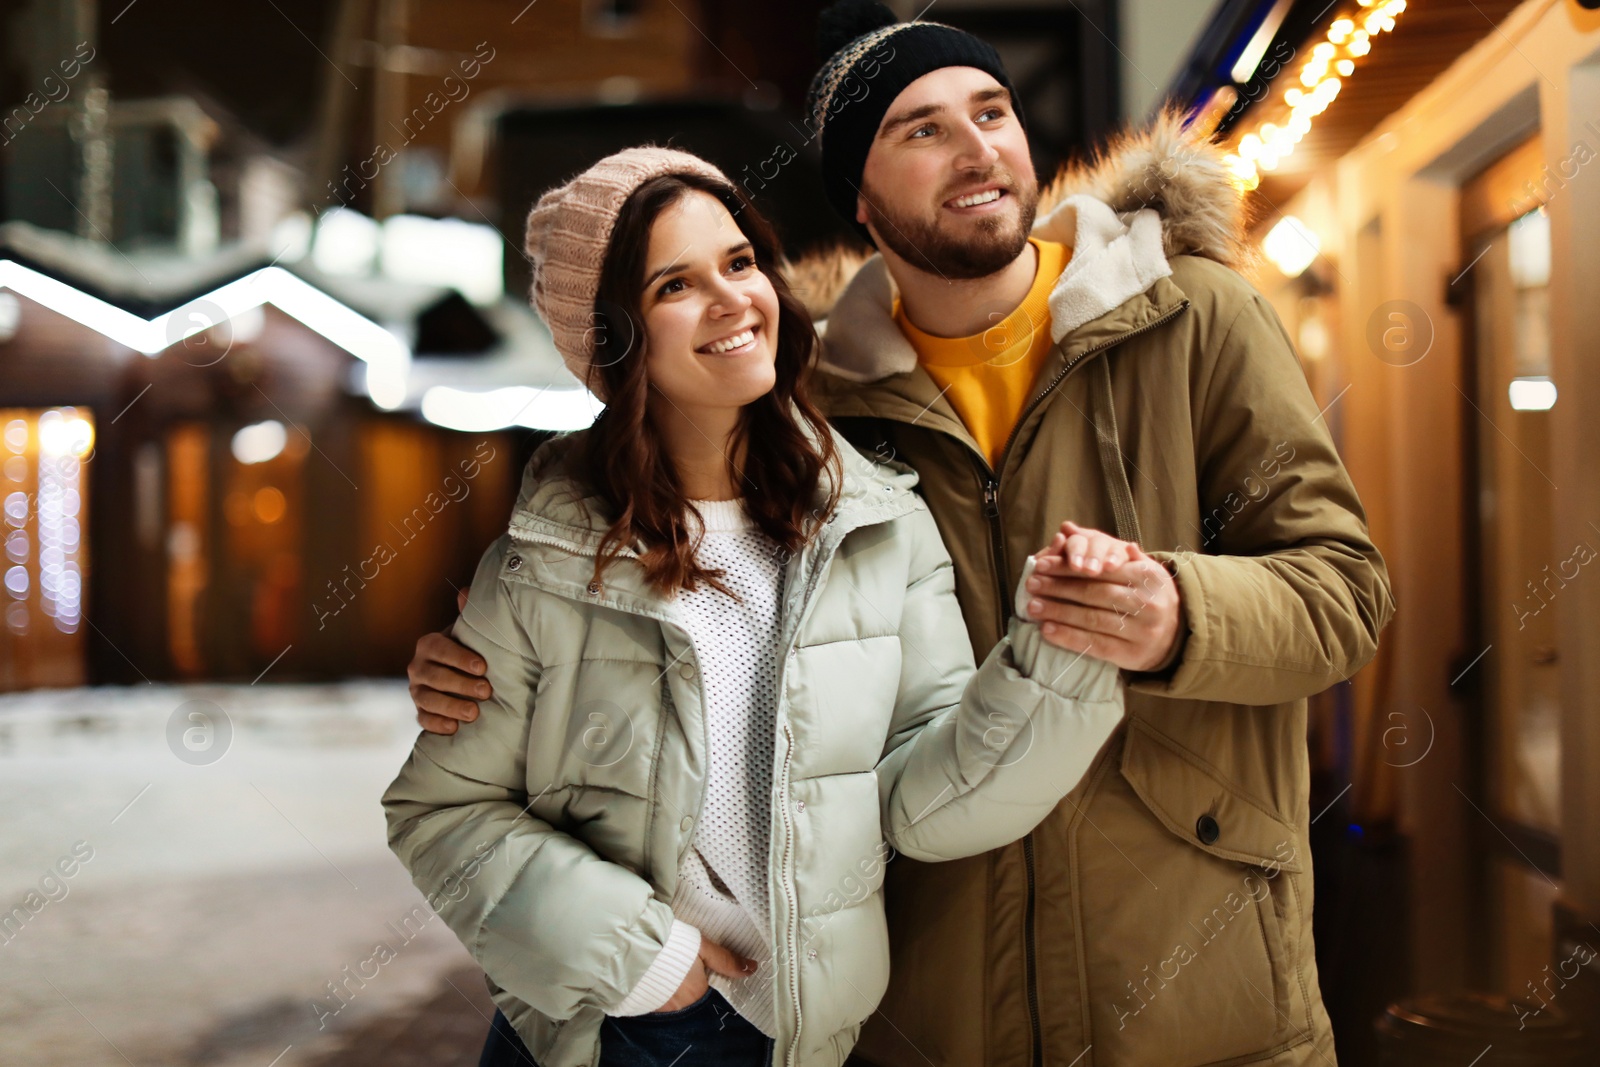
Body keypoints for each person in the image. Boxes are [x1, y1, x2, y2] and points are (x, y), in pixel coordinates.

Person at [407, 3, 1398, 1063]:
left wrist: (1175, 614)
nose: (977, 149)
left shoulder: (1190, 318)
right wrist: (486, 651)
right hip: (936, 1002)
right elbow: (619, 552)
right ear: (861, 203)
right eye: (920, 129)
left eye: (992, 110)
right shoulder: (809, 413)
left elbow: (1345, 593)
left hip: (1191, 980)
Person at [382, 147, 1130, 1067]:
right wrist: (647, 964)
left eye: (740, 263)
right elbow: (440, 811)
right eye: (675, 285)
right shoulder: (547, 560)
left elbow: (925, 801)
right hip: (617, 1028)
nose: (734, 298)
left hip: (801, 1038)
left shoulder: (880, 526)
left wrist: (1063, 652)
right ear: (617, 339)